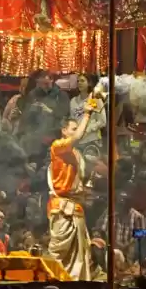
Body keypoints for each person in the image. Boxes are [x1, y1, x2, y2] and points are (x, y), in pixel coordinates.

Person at [46, 106, 98, 280]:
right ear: (64, 131)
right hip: (62, 206)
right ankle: (54, 284)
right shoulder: (57, 146)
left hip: (76, 206)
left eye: (77, 128)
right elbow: (78, 137)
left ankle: (77, 286)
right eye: (73, 129)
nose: (77, 132)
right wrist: (87, 113)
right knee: (58, 251)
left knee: (81, 254)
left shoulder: (77, 154)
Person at [69, 73, 107, 158]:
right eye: (78, 81)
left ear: (89, 83)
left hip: (91, 140)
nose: (79, 83)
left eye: (82, 81)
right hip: (77, 141)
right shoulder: (73, 101)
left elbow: (102, 121)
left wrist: (88, 129)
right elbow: (72, 120)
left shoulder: (94, 100)